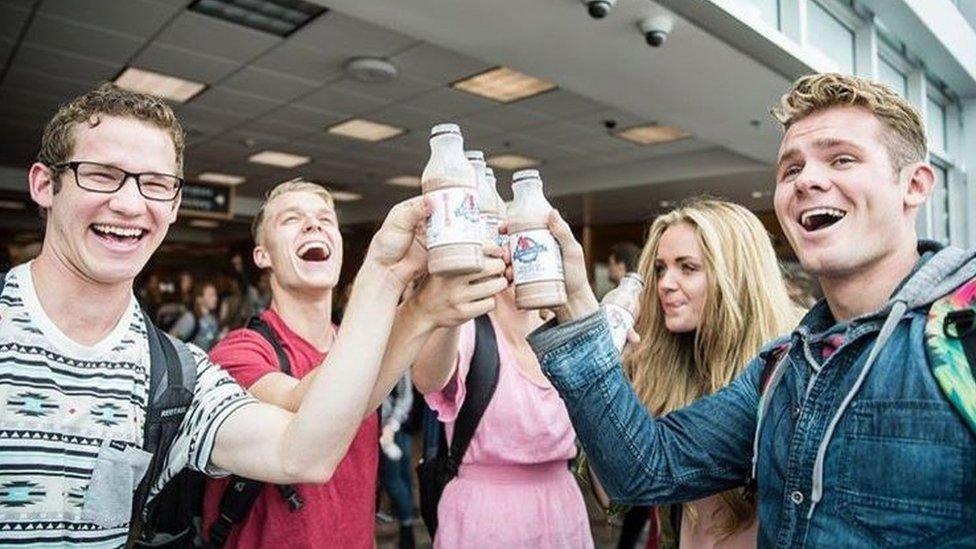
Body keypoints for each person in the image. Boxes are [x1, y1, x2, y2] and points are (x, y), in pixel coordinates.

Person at [523, 73, 976, 546]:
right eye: (791, 169)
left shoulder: (961, 336)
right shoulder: (781, 368)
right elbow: (646, 469)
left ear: (915, 185)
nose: (809, 180)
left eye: (842, 159)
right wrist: (576, 299)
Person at [0, 82, 435, 547]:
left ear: (174, 204)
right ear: (44, 185)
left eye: (155, 184)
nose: (129, 204)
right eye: (102, 175)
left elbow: (302, 454)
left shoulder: (177, 377)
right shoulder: (237, 351)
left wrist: (385, 279)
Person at [199, 179, 506, 547]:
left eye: (325, 219)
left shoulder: (367, 341)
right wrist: (414, 305)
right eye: (292, 219)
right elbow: (308, 408)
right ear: (262, 255)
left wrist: (443, 300)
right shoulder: (237, 352)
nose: (314, 225)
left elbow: (433, 379)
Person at [622, 199, 802, 547]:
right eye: (660, 269)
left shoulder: (792, 366)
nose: (665, 283)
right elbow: (614, 487)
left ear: (734, 275)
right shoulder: (660, 366)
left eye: (687, 268)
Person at [413, 276, 593, 548]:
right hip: (485, 518)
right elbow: (428, 378)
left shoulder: (567, 331)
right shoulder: (470, 330)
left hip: (562, 511)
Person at [378, 371, 417, 549]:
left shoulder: (398, 357)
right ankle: (407, 530)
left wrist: (391, 426)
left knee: (394, 481)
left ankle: (407, 527)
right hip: (391, 426)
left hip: (394, 428)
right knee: (401, 479)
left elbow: (405, 397)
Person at [169, 280, 221, 351]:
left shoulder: (213, 319)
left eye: (215, 295)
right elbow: (171, 341)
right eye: (211, 295)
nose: (215, 298)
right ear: (199, 299)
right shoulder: (190, 318)